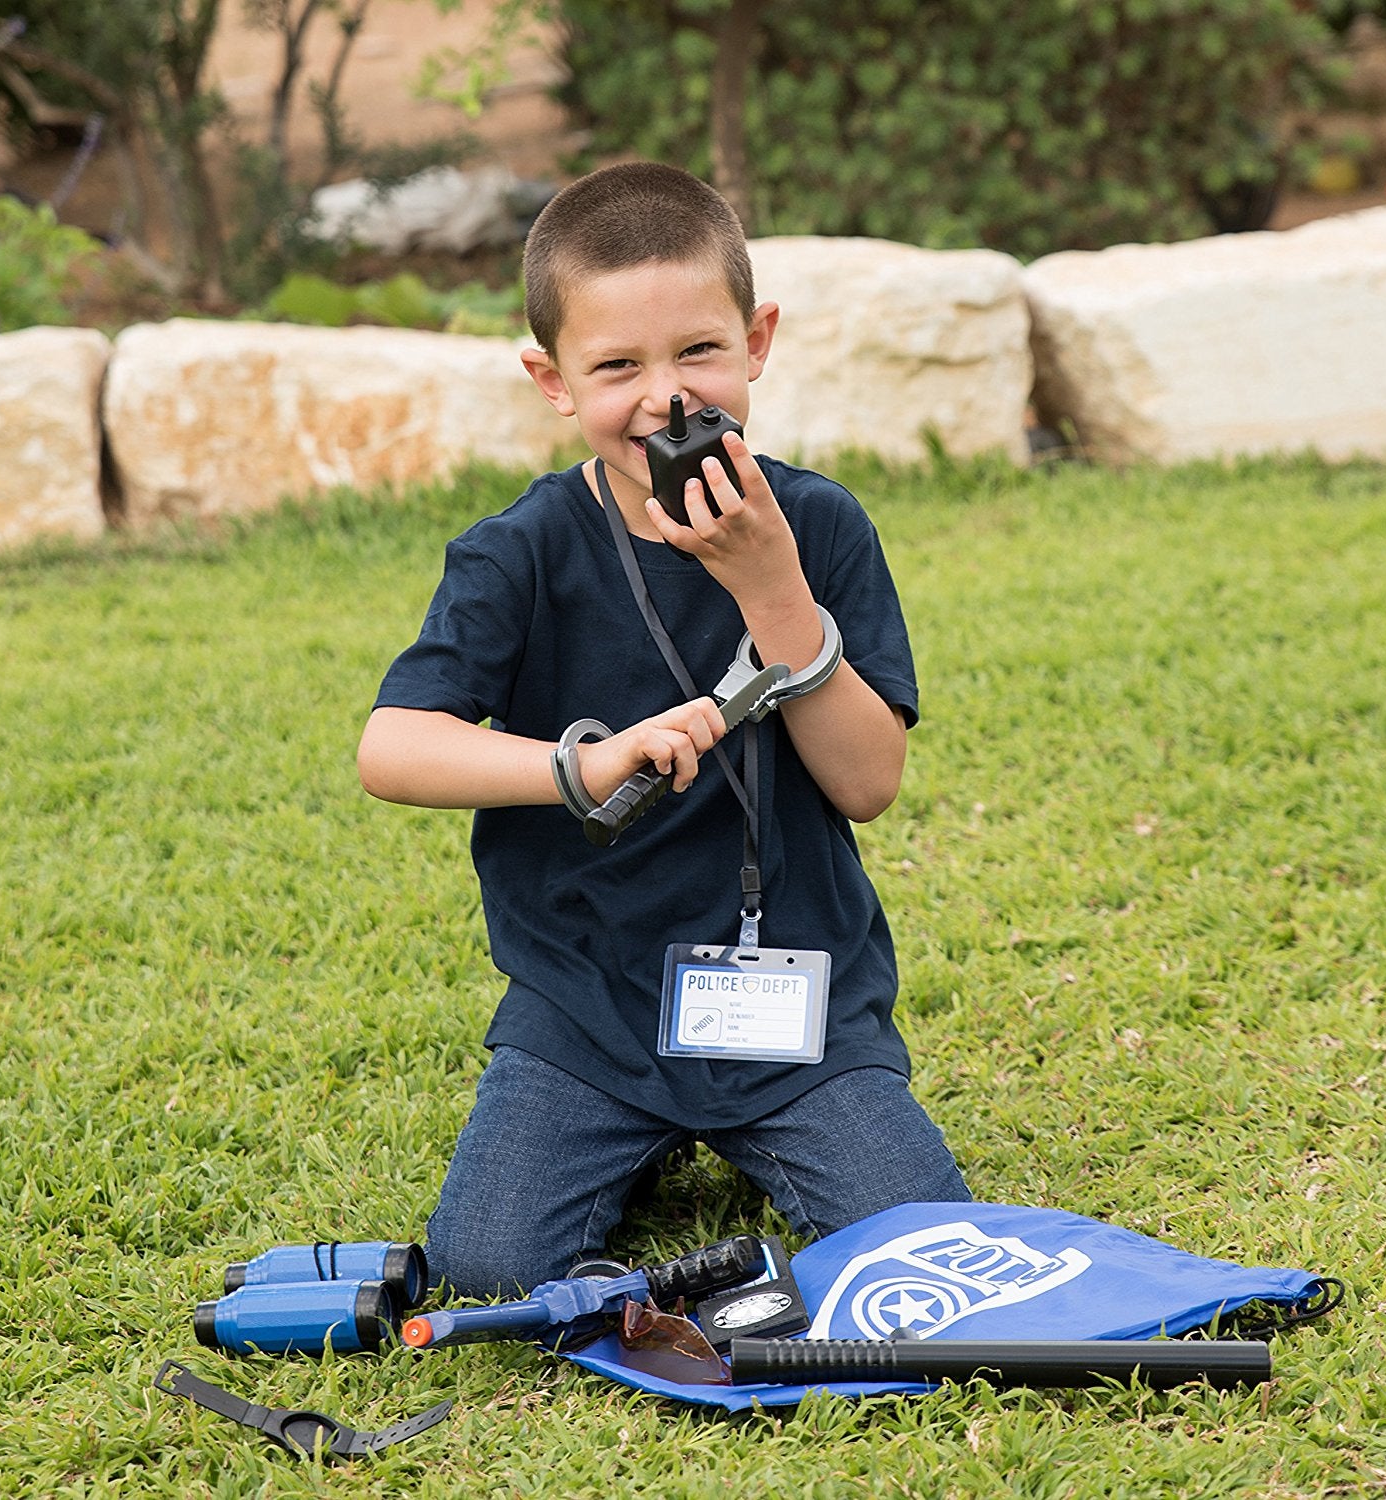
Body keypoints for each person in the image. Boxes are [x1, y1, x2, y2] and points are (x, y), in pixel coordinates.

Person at [357, 162, 970, 1299]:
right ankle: (623, 1138)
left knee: (922, 1248)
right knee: (493, 1268)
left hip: (797, 1003)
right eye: (617, 367)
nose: (667, 400)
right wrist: (579, 766)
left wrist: (774, 587)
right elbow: (392, 747)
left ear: (758, 341)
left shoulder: (820, 523)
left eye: (699, 353)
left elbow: (870, 780)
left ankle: (746, 1132)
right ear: (551, 380)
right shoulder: (522, 551)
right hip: (587, 1001)